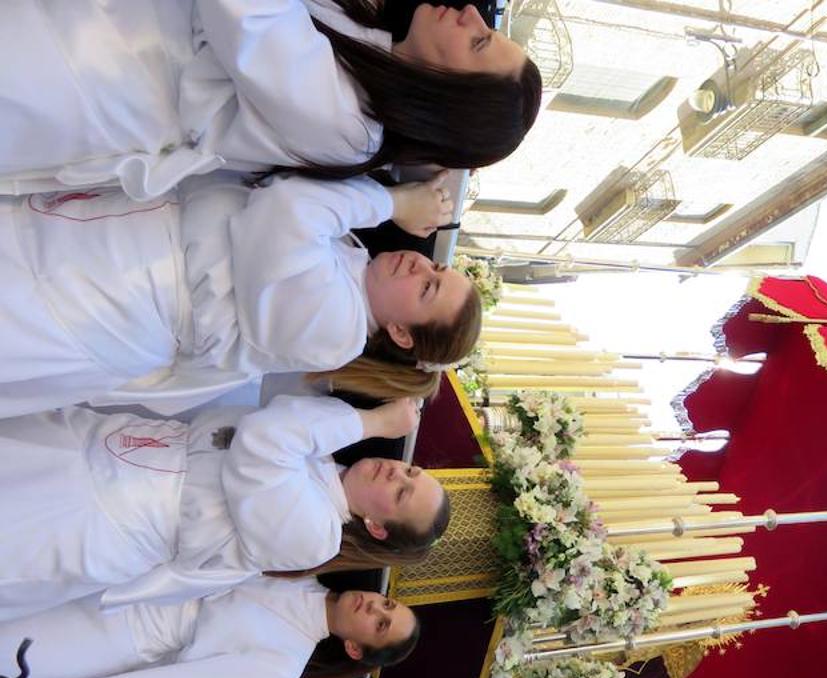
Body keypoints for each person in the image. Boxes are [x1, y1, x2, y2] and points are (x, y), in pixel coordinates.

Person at [0, 173, 481, 418]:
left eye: (426, 288)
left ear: (399, 332)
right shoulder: (355, 266)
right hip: (125, 255)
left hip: (121, 293)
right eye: (435, 266)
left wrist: (393, 202)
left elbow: (283, 211)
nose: (418, 264)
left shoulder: (339, 331)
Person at [0, 1, 542, 199]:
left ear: (451, 97)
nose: (472, 13)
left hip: (91, 77)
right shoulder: (374, 49)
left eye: (479, 42)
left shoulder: (352, 125)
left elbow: (245, 13)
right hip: (110, 45)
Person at [0, 394, 448, 618]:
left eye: (401, 494)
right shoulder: (321, 453)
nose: (395, 473)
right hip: (102, 443)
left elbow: (261, 440)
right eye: (409, 472)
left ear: (376, 527)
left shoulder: (318, 538)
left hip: (107, 520)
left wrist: (375, 420)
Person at [0, 576, 419, 678]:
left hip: (110, 637)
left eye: (381, 624)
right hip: (108, 575)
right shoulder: (308, 567)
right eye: (387, 604)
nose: (374, 607)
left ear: (354, 649)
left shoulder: (282, 662)